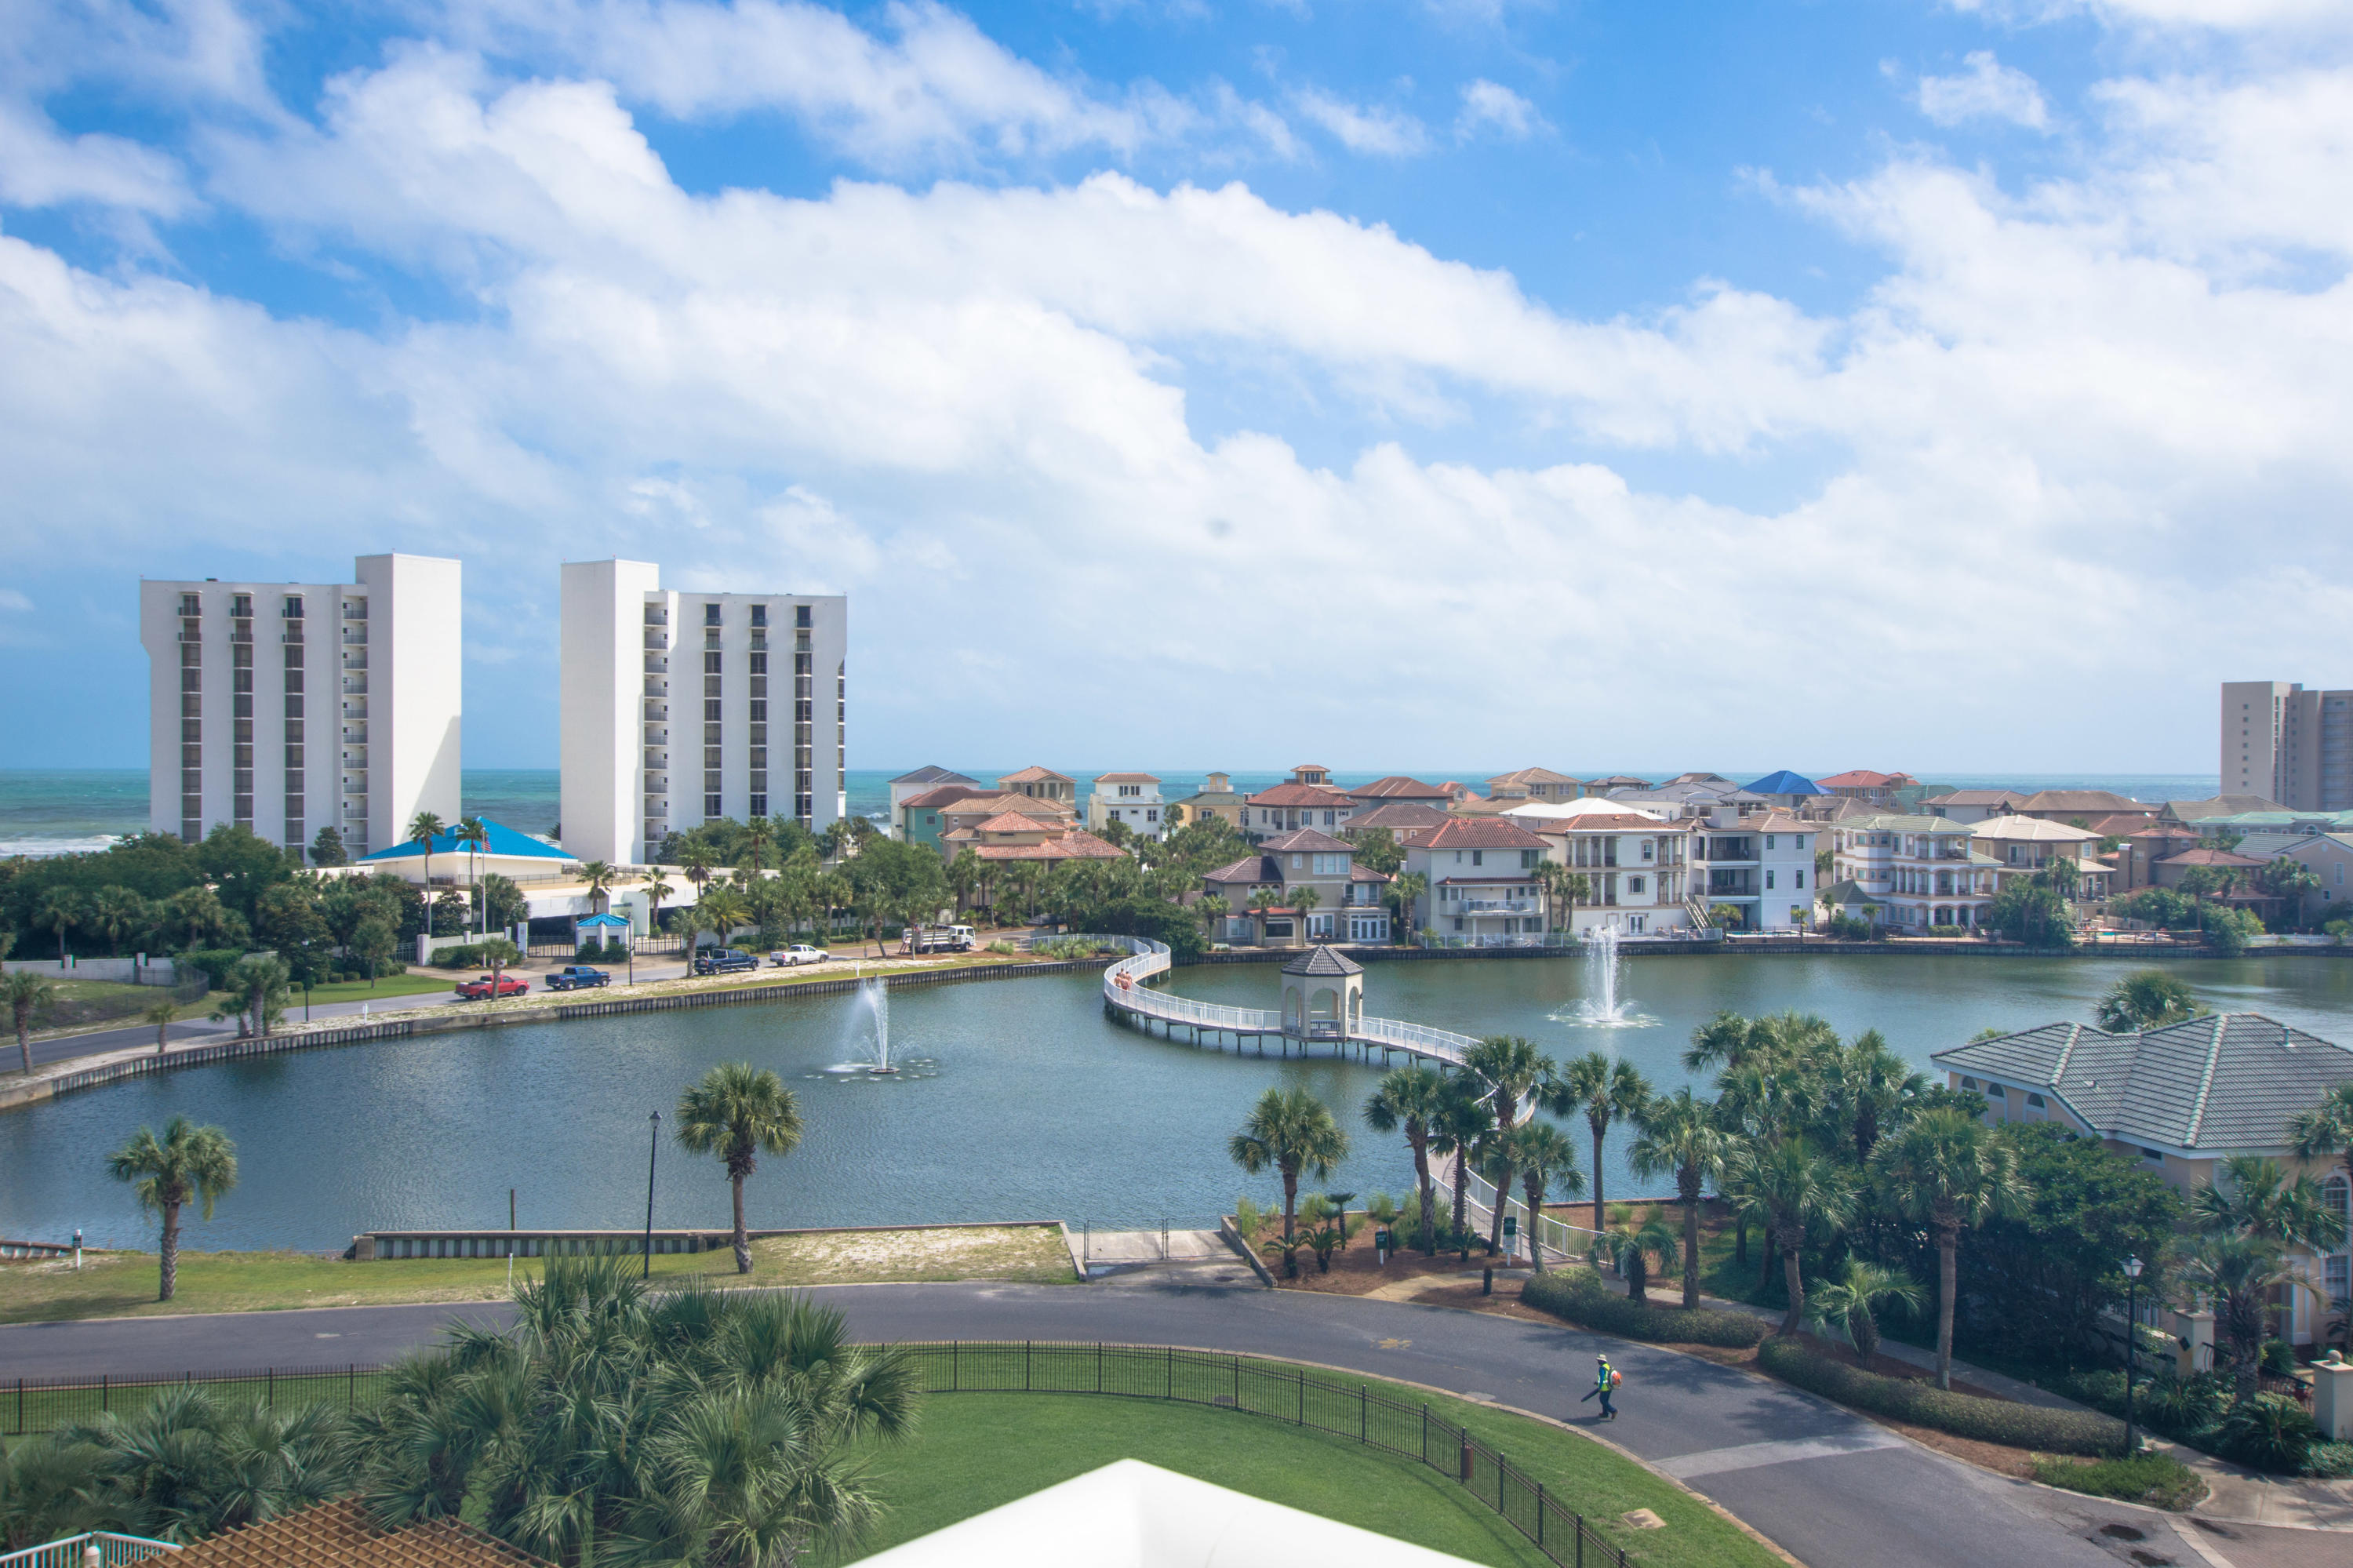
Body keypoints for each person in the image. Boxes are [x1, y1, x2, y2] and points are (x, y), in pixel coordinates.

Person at [1592, 1353, 1618, 1420]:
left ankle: (1613, 1411)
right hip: (1610, 1386)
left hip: (1605, 1388)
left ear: (1602, 1361)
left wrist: (1600, 1387)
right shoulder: (1608, 1366)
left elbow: (1602, 1379)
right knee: (1605, 1400)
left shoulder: (1602, 1368)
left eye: (1599, 1360)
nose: (1598, 1362)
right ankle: (1605, 1413)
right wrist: (1597, 1383)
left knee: (1603, 1400)